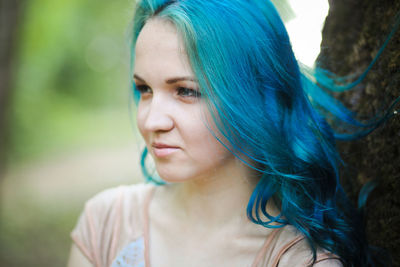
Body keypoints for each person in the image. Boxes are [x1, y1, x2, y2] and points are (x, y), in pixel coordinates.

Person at [67, 0, 383, 266]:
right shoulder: (106, 222)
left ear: (254, 97)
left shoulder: (298, 260)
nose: (151, 121)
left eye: (185, 91)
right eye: (144, 89)